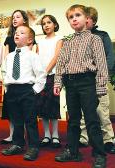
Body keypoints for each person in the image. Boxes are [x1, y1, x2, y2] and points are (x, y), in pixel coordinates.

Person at [54, 4, 107, 168]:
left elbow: (101, 64)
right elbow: (61, 63)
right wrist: (58, 82)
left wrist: (100, 87)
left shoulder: (95, 39)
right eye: (71, 17)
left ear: (87, 19)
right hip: (70, 83)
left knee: (91, 119)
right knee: (73, 120)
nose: (74, 19)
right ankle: (73, 151)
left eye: (78, 15)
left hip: (87, 82)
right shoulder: (67, 41)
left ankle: (99, 154)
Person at [1, 25, 46, 161]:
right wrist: (8, 88)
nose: (17, 34)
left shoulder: (33, 56)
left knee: (30, 120)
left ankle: (33, 147)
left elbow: (41, 74)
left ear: (30, 40)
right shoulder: (9, 56)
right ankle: (17, 144)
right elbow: (4, 72)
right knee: (16, 120)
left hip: (27, 90)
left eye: (22, 33)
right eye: (16, 32)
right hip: (12, 90)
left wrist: (34, 90)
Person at [79, 6, 115, 154]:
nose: (82, 20)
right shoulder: (77, 38)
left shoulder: (102, 35)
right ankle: (83, 138)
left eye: (86, 18)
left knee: (102, 111)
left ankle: (108, 140)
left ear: (92, 20)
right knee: (83, 111)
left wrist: (104, 74)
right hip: (82, 80)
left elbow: (110, 57)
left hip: (99, 78)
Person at [1, 9, 30, 145]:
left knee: (23, 109)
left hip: (23, 76)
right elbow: (6, 58)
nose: (14, 19)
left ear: (24, 19)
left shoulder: (28, 37)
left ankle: (23, 135)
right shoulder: (8, 39)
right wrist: (5, 76)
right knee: (11, 108)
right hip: (11, 76)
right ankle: (12, 134)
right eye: (13, 17)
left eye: (17, 17)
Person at [36, 15, 63, 148]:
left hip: (53, 75)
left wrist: (46, 71)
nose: (46, 25)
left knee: (53, 104)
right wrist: (39, 74)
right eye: (44, 23)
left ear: (54, 24)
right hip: (41, 77)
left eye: (49, 22)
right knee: (42, 105)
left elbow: (57, 56)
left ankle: (55, 135)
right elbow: (37, 58)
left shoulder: (59, 38)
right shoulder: (40, 41)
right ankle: (47, 135)